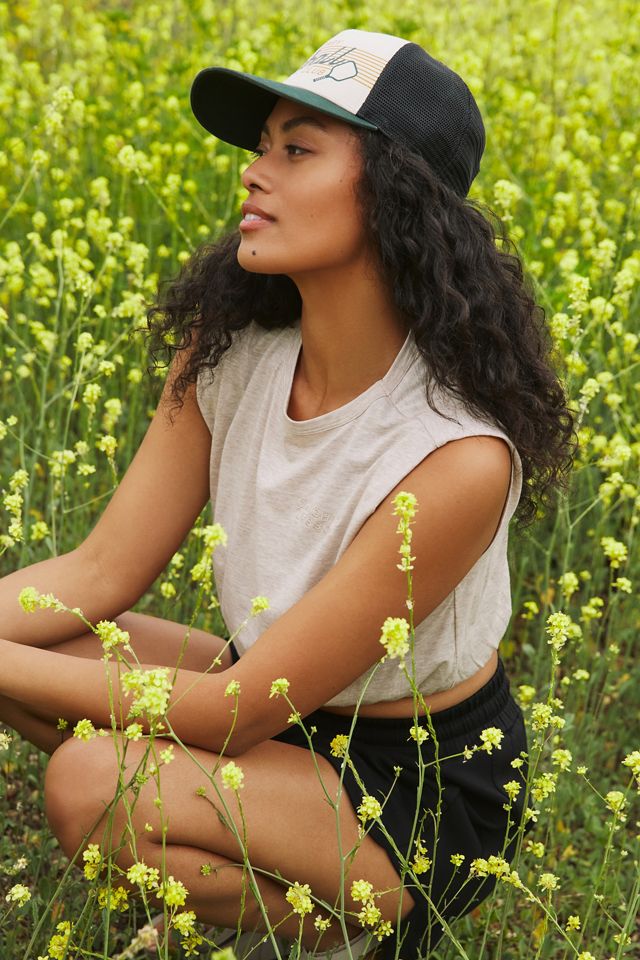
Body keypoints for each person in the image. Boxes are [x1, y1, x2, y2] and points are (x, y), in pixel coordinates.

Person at [0, 28, 577, 960]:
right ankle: (242, 876)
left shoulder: (456, 453)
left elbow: (235, 714)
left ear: (398, 196)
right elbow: (99, 570)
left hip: (414, 787)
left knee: (85, 779)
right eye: (261, 146)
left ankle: (351, 927)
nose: (254, 174)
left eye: (297, 149)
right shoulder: (229, 359)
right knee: (47, 632)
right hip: (278, 706)